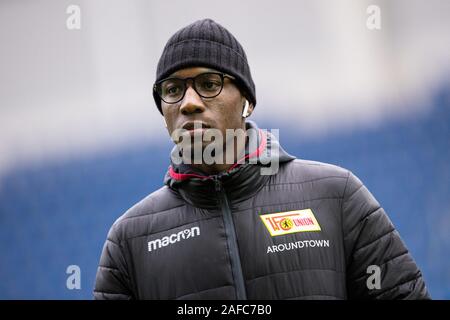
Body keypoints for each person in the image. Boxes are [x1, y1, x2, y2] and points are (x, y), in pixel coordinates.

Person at [94, 18, 430, 300]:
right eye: (172, 90)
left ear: (247, 101)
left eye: (209, 83)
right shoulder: (129, 241)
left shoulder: (338, 196)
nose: (189, 103)